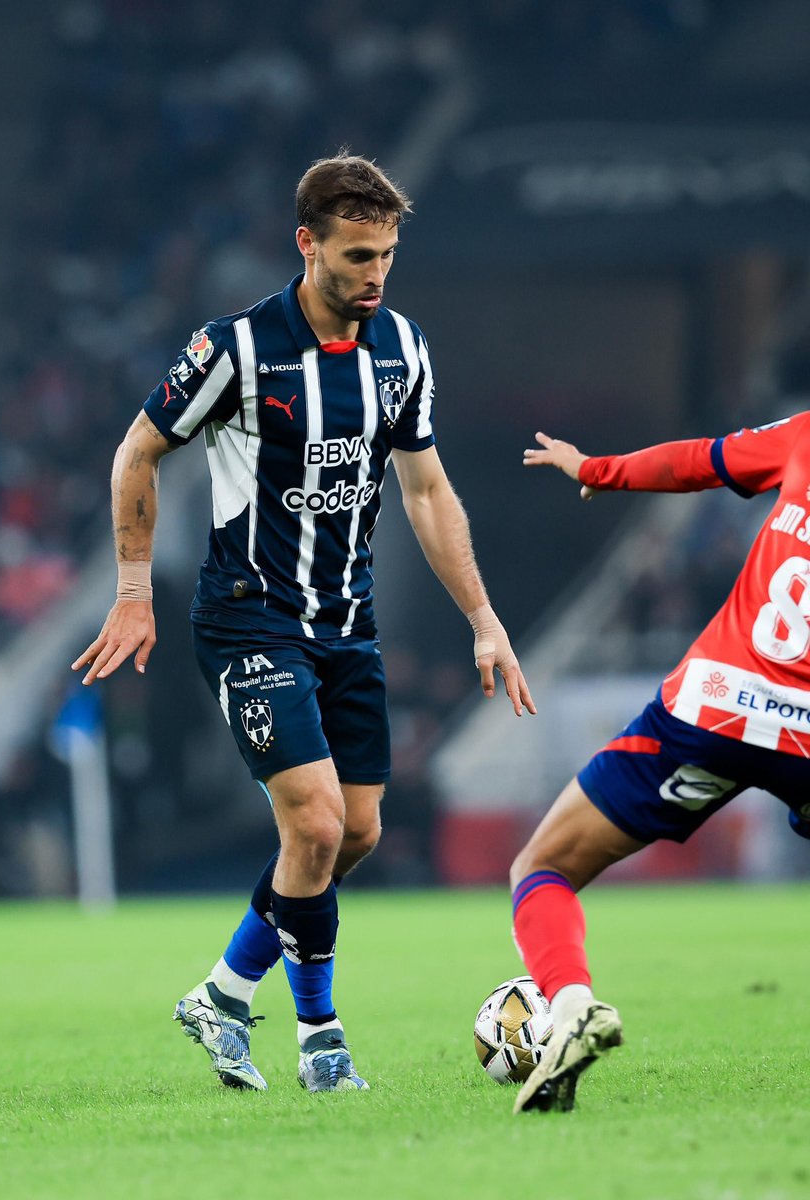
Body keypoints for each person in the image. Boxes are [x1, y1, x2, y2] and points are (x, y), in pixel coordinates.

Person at [72, 153, 534, 1093]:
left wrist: (483, 616)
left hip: (345, 623)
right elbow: (136, 451)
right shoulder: (236, 349)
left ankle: (223, 992)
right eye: (358, 255)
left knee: (352, 834)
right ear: (307, 242)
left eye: (388, 257)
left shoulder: (403, 348)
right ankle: (322, 1043)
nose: (374, 275)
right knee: (317, 825)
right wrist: (131, 588)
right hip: (249, 619)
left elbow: (427, 489)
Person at [510, 415, 810, 1114]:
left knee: (543, 866)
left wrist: (596, 467)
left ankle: (574, 1006)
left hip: (716, 708)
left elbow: (694, 463)